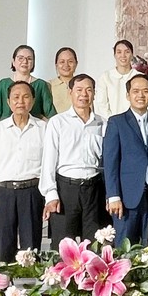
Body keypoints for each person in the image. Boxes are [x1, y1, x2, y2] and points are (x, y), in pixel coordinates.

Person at [0, 81, 47, 262]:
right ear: (8, 102)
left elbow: (48, 165)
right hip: (4, 193)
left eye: (26, 97)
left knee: (31, 250)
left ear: (33, 101)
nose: (21, 102)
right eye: (16, 97)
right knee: (2, 249)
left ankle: (30, 280)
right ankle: (4, 280)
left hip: (32, 192)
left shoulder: (43, 129)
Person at [41, 74, 109, 246]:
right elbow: (49, 161)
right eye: (79, 90)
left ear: (94, 93)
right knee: (64, 245)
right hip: (66, 190)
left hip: (94, 189)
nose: (84, 94)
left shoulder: (103, 123)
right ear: (70, 92)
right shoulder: (57, 122)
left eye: (89, 90)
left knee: (95, 244)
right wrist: (51, 194)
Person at [103, 74, 148, 246]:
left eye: (145, 91)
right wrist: (113, 195)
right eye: (136, 91)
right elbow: (110, 162)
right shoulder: (116, 122)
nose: (141, 95)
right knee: (124, 250)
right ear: (128, 95)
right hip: (126, 198)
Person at [0, 45, 55, 123]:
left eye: (29, 59)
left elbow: (50, 115)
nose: (25, 61)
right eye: (20, 58)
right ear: (13, 61)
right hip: (6, 128)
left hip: (33, 127)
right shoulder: (3, 84)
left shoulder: (41, 85)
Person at [94, 39, 139, 119]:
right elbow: (101, 105)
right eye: (119, 52)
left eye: (127, 52)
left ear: (132, 55)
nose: (123, 55)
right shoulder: (105, 77)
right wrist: (114, 121)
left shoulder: (139, 77)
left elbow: (145, 104)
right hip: (111, 122)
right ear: (114, 55)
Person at [48, 47, 78, 114]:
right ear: (56, 65)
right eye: (62, 62)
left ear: (76, 64)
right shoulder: (48, 85)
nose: (66, 65)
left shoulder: (82, 85)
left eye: (70, 61)